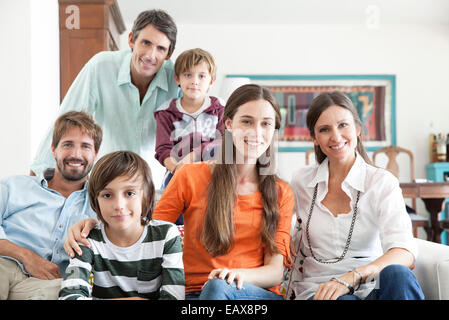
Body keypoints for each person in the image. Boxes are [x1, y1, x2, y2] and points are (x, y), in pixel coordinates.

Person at [64, 84, 294, 300]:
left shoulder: (281, 192)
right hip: (192, 292)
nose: (256, 131)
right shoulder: (190, 176)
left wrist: (233, 274)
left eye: (266, 124)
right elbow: (147, 230)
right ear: (229, 124)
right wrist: (92, 226)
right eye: (247, 121)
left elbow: (274, 272)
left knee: (217, 288)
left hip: (251, 293)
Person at [285, 91, 424, 300]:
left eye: (343, 125)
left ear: (357, 129)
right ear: (314, 138)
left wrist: (352, 277)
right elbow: (278, 231)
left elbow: (404, 252)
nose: (336, 136)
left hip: (370, 288)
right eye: (324, 129)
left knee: (398, 274)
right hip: (322, 293)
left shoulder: (381, 182)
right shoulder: (301, 182)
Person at [31, 9, 179, 185]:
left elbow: (200, 121)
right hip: (104, 182)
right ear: (131, 40)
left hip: (152, 186)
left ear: (169, 54)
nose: (150, 55)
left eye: (160, 48)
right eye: (146, 43)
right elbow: (67, 118)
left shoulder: (178, 78)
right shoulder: (101, 67)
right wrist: (37, 174)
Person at [0, 111, 102, 300]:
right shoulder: (14, 186)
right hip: (4, 265)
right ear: (53, 149)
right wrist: (26, 256)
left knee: (68, 293)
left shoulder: (100, 206)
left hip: (47, 286)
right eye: (68, 144)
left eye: (85, 147)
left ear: (95, 154)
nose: (76, 154)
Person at [59, 151, 184, 300]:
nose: (119, 205)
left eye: (129, 193)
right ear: (95, 199)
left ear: (147, 195)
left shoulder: (166, 235)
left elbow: (174, 297)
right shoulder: (87, 239)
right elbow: (70, 297)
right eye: (107, 195)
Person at [154, 48, 224, 191]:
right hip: (177, 178)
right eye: (188, 75)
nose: (195, 81)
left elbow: (223, 142)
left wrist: (193, 156)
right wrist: (176, 167)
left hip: (213, 178)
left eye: (202, 76)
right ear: (177, 79)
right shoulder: (166, 112)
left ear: (212, 81)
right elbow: (163, 149)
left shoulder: (221, 108)